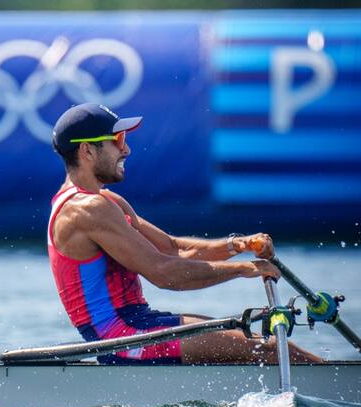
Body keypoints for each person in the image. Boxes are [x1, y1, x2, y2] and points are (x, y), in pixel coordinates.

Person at [48, 103, 322, 365]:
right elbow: (165, 274)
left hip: (140, 322)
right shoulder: (86, 209)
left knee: (262, 342)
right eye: (118, 140)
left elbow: (172, 248)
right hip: (121, 339)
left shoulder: (107, 202)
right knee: (272, 349)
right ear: (87, 151)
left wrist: (238, 245)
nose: (127, 150)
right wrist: (242, 270)